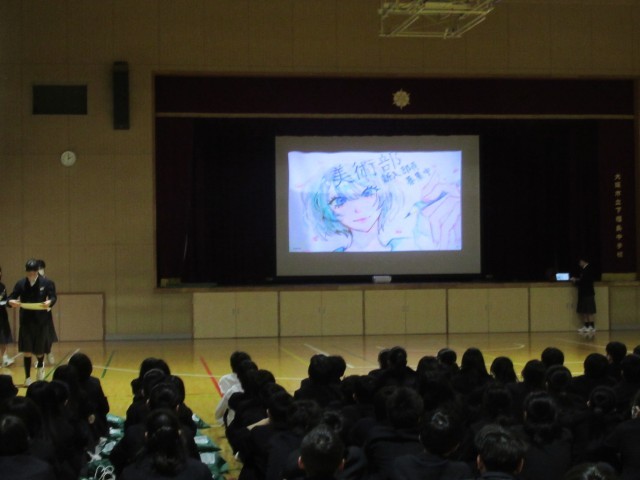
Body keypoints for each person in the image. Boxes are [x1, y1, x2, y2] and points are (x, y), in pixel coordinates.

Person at [7, 259, 57, 385]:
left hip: (41, 321)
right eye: (29, 272)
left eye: (34, 272)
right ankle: (28, 377)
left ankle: (40, 366)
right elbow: (11, 297)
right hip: (26, 321)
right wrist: (10, 302)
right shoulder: (21, 283)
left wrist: (49, 302)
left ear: (37, 271)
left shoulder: (47, 283)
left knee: (40, 351)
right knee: (27, 351)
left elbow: (53, 297)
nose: (31, 274)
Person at [36, 260, 58, 365]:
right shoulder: (31, 283)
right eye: (37, 268)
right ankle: (39, 359)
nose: (39, 270)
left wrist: (49, 304)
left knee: (48, 335)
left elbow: (53, 297)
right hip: (34, 313)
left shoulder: (49, 282)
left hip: (45, 313)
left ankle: (49, 352)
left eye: (41, 268)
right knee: (37, 337)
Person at [571, 258, 596, 334]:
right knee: (584, 311)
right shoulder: (584, 270)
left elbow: (584, 281)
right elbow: (582, 280)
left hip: (588, 293)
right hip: (583, 293)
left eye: (580, 262)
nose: (579, 264)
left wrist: (575, 281)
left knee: (589, 311)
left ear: (583, 261)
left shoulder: (588, 269)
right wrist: (577, 280)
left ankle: (592, 327)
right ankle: (586, 326)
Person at [0, 266, 14, 367]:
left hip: (1, 315)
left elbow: (4, 300)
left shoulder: (2, 286)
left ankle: (5, 358)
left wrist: (8, 302)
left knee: (3, 337)